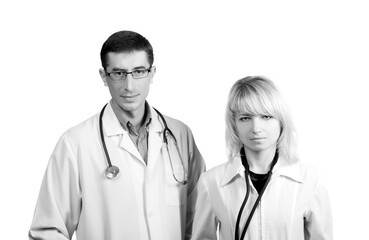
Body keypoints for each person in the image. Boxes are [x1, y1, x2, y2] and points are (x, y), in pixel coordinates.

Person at [29, 30, 205, 240]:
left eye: (139, 71)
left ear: (152, 73)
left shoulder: (180, 135)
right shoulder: (75, 144)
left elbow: (200, 220)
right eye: (119, 73)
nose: (129, 86)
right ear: (104, 76)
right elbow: (47, 230)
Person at [191, 76, 332, 240]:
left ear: (281, 121)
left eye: (266, 117)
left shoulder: (311, 180)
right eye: (245, 118)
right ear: (234, 125)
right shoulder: (212, 182)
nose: (256, 128)